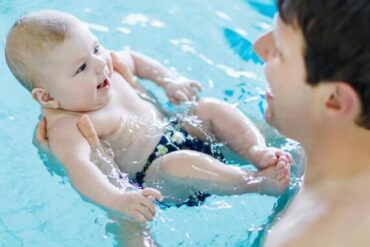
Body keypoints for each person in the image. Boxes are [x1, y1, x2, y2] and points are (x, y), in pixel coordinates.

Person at [5, 10, 291, 244]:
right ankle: (254, 182)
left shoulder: (108, 66)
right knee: (179, 163)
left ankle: (257, 151)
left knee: (212, 108)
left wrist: (169, 81)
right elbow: (82, 169)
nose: (100, 65)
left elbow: (137, 61)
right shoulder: (68, 125)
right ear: (48, 97)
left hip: (181, 129)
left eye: (96, 47)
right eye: (81, 68)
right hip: (156, 176)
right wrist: (118, 199)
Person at [253, 0, 370, 246]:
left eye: (280, 51)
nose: (259, 47)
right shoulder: (328, 145)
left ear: (334, 100)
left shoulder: (312, 238)